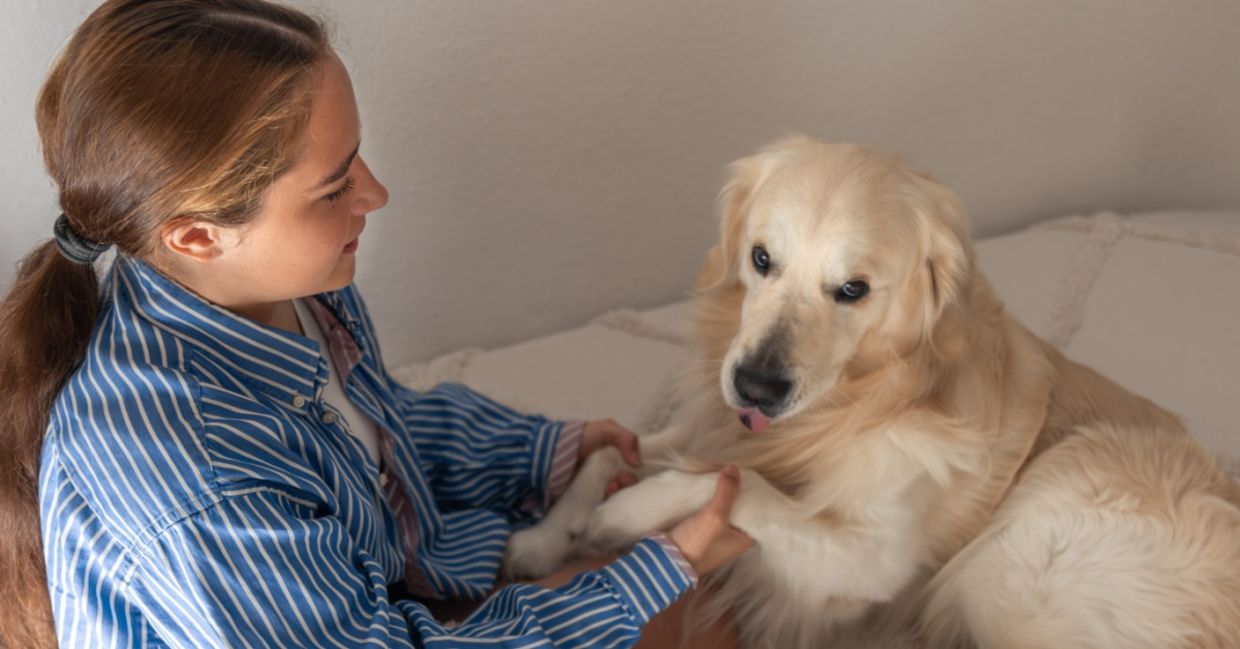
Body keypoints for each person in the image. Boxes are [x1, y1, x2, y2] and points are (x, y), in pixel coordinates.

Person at [0, 1, 752, 647]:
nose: (376, 193)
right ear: (196, 235)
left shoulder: (285, 288)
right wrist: (661, 570)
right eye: (333, 188)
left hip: (377, 590)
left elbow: (376, 427)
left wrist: (538, 451)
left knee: (708, 583)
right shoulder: (200, 482)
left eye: (356, 159)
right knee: (691, 599)